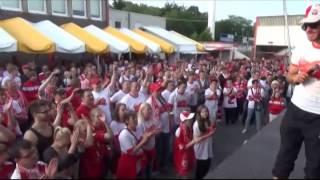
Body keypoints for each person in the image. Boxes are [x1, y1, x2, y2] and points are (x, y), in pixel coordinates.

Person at [273, 4, 320, 179]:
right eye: (305, 25)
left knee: (315, 170)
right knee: (283, 161)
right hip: (295, 111)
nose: (308, 29)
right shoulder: (301, 47)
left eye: (314, 24)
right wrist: (296, 78)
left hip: (318, 118)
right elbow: (288, 76)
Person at [117, 111, 153, 179]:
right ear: (127, 121)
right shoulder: (124, 134)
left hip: (138, 162)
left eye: (136, 118)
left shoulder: (137, 129)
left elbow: (139, 142)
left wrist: (147, 137)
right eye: (133, 118)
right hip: (129, 164)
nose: (136, 120)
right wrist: (143, 141)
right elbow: (131, 152)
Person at [137, 103, 161, 178]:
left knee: (150, 167)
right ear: (142, 111)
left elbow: (157, 130)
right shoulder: (139, 123)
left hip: (152, 148)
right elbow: (140, 139)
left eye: (150, 109)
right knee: (143, 169)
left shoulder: (151, 120)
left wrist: (156, 132)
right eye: (148, 109)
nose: (150, 111)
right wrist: (152, 133)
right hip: (143, 150)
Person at [173, 111, 199, 179]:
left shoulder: (189, 128)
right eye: (189, 120)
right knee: (184, 173)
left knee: (188, 171)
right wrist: (194, 141)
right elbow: (182, 148)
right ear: (184, 121)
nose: (191, 120)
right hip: (183, 156)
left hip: (189, 153)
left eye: (191, 119)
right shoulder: (179, 131)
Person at [193, 105, 216, 179]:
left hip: (208, 148)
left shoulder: (208, 121)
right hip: (200, 150)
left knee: (207, 167)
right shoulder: (196, 124)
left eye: (206, 111)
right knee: (200, 170)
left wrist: (212, 131)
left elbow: (210, 131)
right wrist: (209, 134)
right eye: (203, 112)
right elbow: (196, 139)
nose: (205, 113)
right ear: (199, 113)